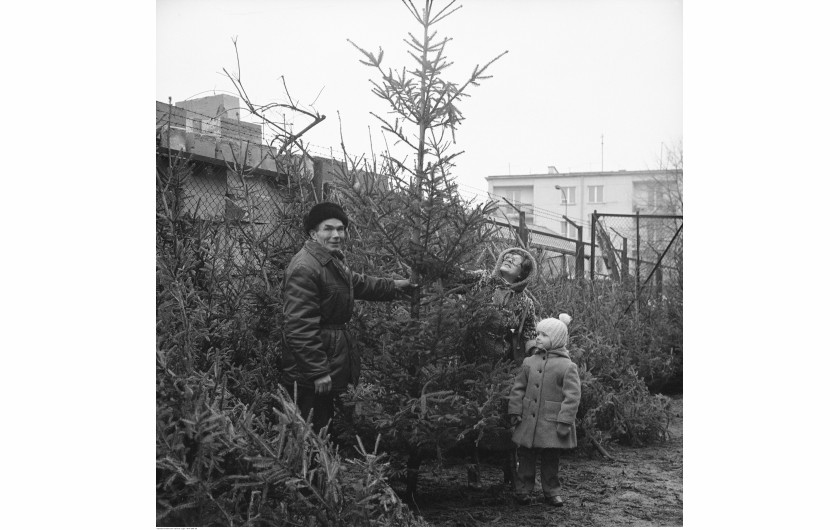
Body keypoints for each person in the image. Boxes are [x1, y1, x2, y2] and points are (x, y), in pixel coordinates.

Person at [281, 202, 413, 434]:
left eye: (341, 229)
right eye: (328, 229)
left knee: (324, 427)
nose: (336, 235)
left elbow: (360, 283)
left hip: (328, 358)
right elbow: (299, 326)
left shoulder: (329, 262)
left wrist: (396, 287)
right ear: (313, 233)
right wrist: (318, 371)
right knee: (310, 430)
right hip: (311, 369)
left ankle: (321, 470)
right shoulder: (306, 267)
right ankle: (307, 471)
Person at [508, 313, 581, 507]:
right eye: (538, 333)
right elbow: (518, 388)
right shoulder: (529, 362)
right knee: (526, 457)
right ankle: (523, 490)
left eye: (544, 335)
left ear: (556, 340)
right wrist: (515, 411)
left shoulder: (567, 366)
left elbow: (572, 397)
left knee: (551, 460)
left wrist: (565, 421)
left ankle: (552, 492)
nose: (538, 337)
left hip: (552, 422)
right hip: (528, 421)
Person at [461, 247, 538, 365]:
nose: (508, 260)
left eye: (514, 260)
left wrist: (537, 353)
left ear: (521, 274)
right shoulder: (483, 279)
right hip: (466, 359)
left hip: (499, 367)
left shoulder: (525, 303)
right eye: (507, 257)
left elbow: (529, 334)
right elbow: (457, 277)